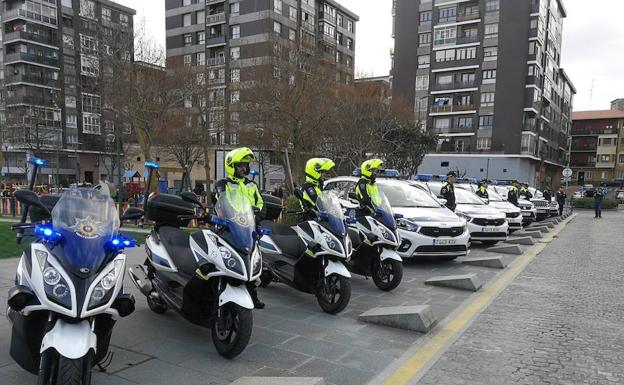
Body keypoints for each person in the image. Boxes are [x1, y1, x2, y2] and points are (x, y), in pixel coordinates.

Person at [215, 147, 265, 309]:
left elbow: (260, 203)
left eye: (246, 165)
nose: (244, 168)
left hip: (249, 227)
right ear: (232, 166)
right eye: (240, 165)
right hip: (230, 226)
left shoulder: (252, 184)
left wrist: (257, 215)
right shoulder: (223, 184)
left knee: (253, 260)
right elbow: (221, 202)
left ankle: (253, 294)